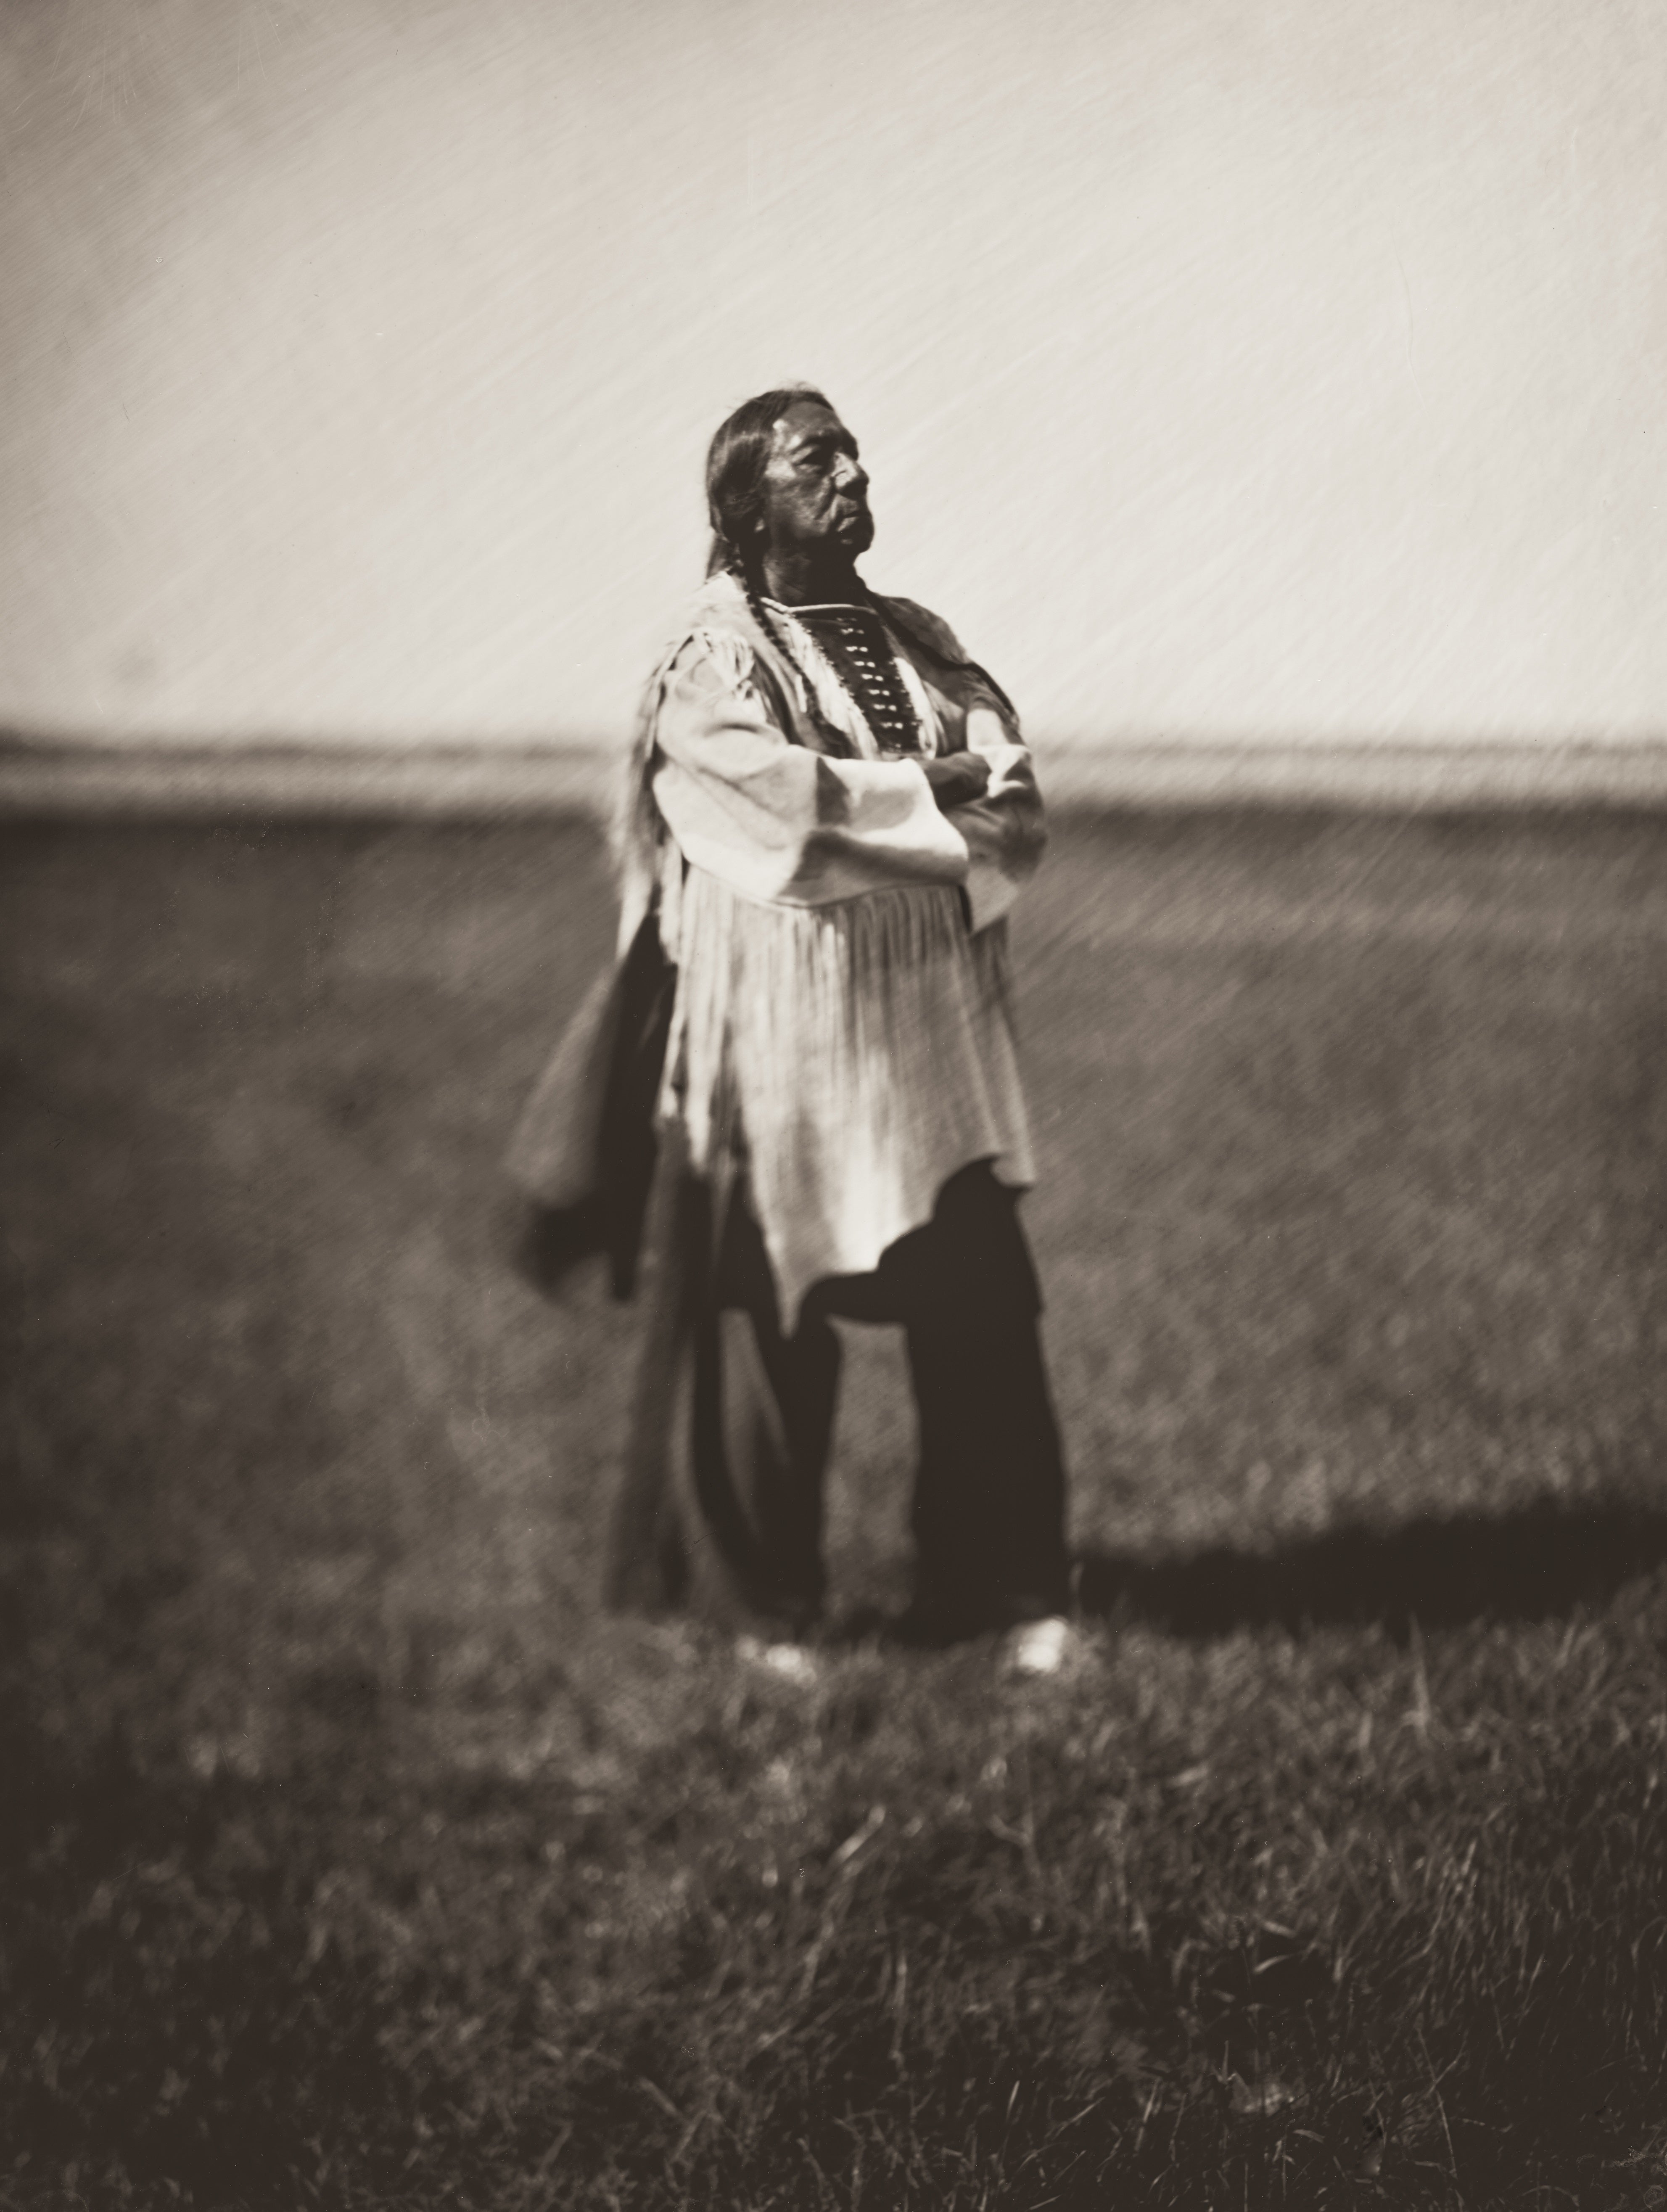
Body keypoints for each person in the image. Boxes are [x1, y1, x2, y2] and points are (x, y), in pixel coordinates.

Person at [509, 386, 1073, 1672]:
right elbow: (781, 819)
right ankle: (761, 1609)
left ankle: (1006, 1591)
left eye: (855, 452)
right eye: (819, 458)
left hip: (930, 1038)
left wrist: (905, 809)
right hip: (773, 1042)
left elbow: (1016, 805)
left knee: (983, 1312)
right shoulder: (709, 662)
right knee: (762, 1324)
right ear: (746, 501)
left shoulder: (921, 640)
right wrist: (931, 798)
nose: (853, 472)